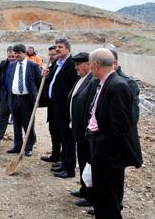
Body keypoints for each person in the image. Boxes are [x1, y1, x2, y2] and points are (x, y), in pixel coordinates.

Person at [86, 48, 142, 218]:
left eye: (90, 65)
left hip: (108, 153)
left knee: (108, 199)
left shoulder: (118, 86)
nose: (89, 68)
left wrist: (101, 145)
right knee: (102, 197)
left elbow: (120, 126)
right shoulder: (105, 82)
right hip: (101, 146)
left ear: (95, 65)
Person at [43, 39, 79, 180]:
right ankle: (62, 162)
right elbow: (53, 82)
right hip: (54, 107)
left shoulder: (71, 65)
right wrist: (46, 76)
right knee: (58, 134)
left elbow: (72, 87)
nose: (57, 49)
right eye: (56, 47)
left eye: (60, 47)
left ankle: (69, 169)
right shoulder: (57, 64)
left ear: (68, 50)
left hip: (64, 109)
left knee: (68, 140)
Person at [67, 52, 95, 207]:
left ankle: (91, 196)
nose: (76, 68)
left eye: (78, 64)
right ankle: (84, 188)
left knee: (89, 163)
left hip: (86, 132)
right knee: (83, 161)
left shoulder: (92, 80)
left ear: (88, 64)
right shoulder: (82, 78)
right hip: (78, 130)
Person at [6, 44, 41, 156]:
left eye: (18, 53)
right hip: (14, 98)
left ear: (24, 53)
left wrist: (35, 98)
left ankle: (28, 146)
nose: (16, 55)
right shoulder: (11, 65)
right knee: (16, 124)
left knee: (28, 123)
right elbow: (8, 81)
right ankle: (17, 145)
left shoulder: (33, 66)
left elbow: (38, 83)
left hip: (27, 100)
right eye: (15, 53)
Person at [109, 49, 140, 122]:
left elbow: (133, 116)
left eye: (104, 63)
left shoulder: (129, 83)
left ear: (115, 63)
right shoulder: (97, 80)